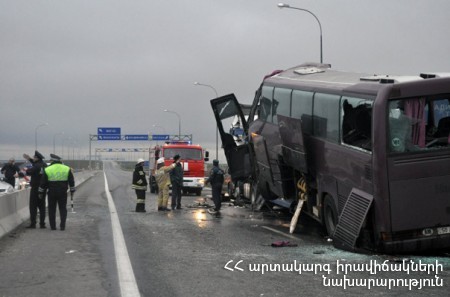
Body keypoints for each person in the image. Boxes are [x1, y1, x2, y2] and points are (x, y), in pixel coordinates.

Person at [38, 154, 75, 231]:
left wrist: (40, 192)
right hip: (63, 192)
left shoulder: (48, 169)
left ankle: (53, 226)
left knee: (51, 209)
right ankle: (62, 226)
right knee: (62, 209)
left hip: (51, 192)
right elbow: (71, 181)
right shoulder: (67, 168)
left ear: (52, 161)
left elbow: (43, 183)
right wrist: (72, 190)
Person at [23, 151, 47, 229]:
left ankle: (33, 224)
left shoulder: (36, 166)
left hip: (35, 188)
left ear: (37, 158)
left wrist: (24, 171)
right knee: (42, 207)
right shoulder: (44, 165)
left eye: (34, 157)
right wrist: (29, 158)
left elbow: (29, 172)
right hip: (43, 188)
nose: (33, 158)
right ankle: (42, 224)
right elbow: (36, 164)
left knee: (33, 206)